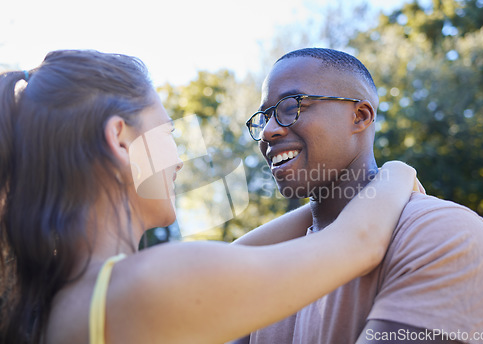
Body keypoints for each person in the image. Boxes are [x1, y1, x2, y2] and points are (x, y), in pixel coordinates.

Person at [0, 49, 419, 344]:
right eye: (168, 133)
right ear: (120, 141)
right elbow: (357, 243)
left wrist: (324, 200)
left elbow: (236, 254)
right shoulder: (150, 284)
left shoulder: (65, 295)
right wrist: (399, 172)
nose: (179, 161)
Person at [236, 48, 483, 344]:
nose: (268, 132)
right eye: (264, 117)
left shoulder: (445, 235)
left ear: (360, 116)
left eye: (290, 106)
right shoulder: (263, 270)